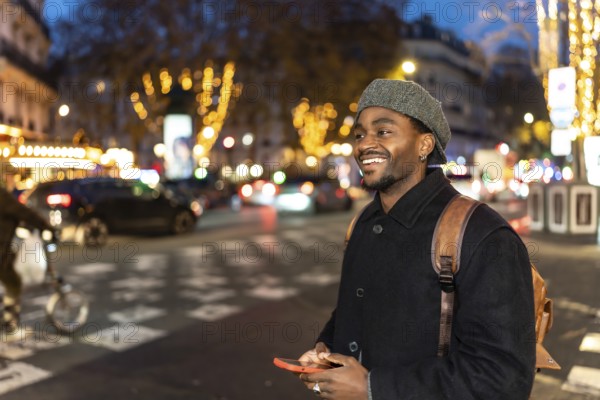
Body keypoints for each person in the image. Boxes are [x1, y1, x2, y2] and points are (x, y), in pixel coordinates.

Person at [298, 79, 535, 399]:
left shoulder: (480, 233)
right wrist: (325, 350)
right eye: (359, 134)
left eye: (383, 132)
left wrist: (373, 388)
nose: (364, 144)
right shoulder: (363, 223)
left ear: (424, 146)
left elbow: (502, 377)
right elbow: (355, 308)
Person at [0, 173, 53, 335]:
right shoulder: (3, 197)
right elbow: (23, 212)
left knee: (11, 268)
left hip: (4, 250)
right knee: (13, 282)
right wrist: (47, 227)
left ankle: (9, 317)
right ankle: (9, 319)